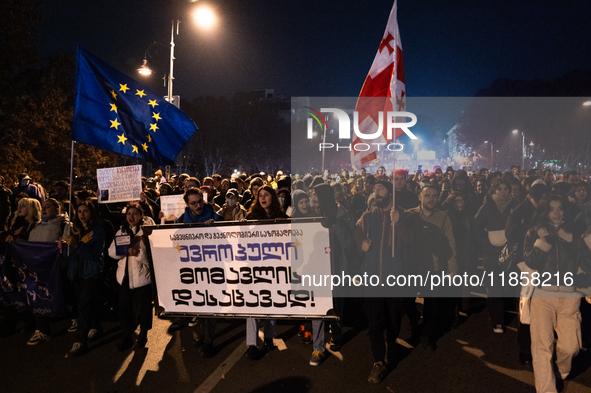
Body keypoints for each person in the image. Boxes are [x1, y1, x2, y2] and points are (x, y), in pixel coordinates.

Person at [523, 195, 589, 393]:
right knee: (542, 347)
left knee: (571, 347)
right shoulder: (534, 232)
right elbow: (530, 262)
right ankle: (546, 389)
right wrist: (541, 244)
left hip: (570, 297)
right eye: (552, 209)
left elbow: (585, 262)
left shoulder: (574, 233)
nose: (557, 212)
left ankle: (561, 370)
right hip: (542, 295)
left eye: (560, 208)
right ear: (545, 212)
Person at [355, 180, 413, 383]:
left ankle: (391, 345)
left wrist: (399, 223)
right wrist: (361, 242)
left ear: (389, 192)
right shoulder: (367, 216)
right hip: (372, 279)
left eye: (380, 189)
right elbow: (358, 232)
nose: (376, 192)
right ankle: (379, 361)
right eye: (374, 190)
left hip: (395, 279)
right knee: (375, 321)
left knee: (394, 319)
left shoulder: (405, 215)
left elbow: (411, 240)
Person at [244, 185, 287, 360]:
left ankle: (268, 338)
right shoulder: (252, 217)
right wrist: (242, 227)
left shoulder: (282, 217)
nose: (262, 198)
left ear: (273, 198)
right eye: (260, 195)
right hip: (255, 268)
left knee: (271, 306)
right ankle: (252, 345)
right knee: (253, 306)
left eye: (266, 195)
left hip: (275, 268)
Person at [473, 178, 519, 334]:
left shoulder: (515, 206)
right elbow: (476, 229)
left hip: (511, 253)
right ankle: (497, 320)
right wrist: (487, 245)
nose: (504, 191)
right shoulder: (486, 208)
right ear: (493, 190)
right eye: (500, 188)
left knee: (510, 285)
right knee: (494, 287)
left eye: (506, 188)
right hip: (492, 254)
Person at [108, 203, 154, 352]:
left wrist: (138, 254)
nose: (131, 217)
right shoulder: (121, 231)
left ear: (141, 216)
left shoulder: (146, 232)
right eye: (129, 214)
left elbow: (151, 258)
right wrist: (124, 252)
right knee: (124, 308)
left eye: (135, 214)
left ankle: (143, 334)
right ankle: (126, 336)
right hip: (124, 277)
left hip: (142, 276)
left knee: (144, 308)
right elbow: (111, 252)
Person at [26, 198, 70, 345]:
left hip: (56, 268)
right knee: (39, 297)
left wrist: (62, 245)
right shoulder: (36, 226)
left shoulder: (65, 225)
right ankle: (42, 330)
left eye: (48, 207)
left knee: (64, 295)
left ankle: (75, 318)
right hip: (40, 269)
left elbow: (68, 245)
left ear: (57, 209)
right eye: (43, 207)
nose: (44, 209)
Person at [63, 200, 105, 357]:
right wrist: (73, 245)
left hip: (91, 272)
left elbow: (94, 255)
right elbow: (69, 255)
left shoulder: (97, 230)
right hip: (76, 273)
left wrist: (78, 246)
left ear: (91, 212)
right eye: (79, 211)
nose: (82, 214)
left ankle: (80, 341)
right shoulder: (73, 230)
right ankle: (96, 326)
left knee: (83, 306)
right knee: (86, 303)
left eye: (85, 211)